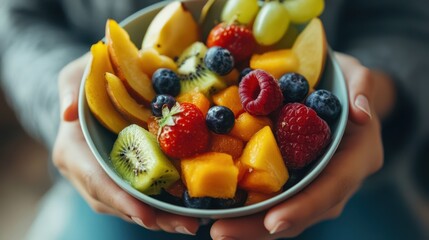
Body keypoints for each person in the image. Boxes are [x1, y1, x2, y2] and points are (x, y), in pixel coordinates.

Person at [0, 0, 428, 239]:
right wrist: (61, 101)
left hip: (345, 176)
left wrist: (380, 93)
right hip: (114, 196)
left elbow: (407, 21)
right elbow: (17, 24)